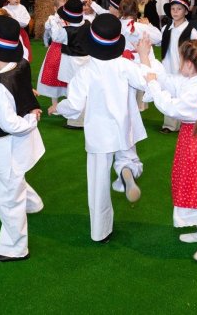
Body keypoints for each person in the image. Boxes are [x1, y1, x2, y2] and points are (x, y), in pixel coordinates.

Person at [49, 14, 149, 242]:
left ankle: (100, 231)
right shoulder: (125, 65)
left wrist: (59, 108)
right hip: (125, 127)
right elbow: (147, 80)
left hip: (99, 133)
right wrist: (143, 57)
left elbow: (74, 106)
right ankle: (127, 171)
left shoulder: (85, 72)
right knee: (127, 156)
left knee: (98, 181)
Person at [137, 38, 197, 262]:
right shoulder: (193, 80)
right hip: (196, 139)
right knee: (193, 185)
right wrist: (147, 57)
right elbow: (170, 82)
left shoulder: (195, 90)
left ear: (189, 64)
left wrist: (151, 81)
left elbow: (170, 106)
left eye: (181, 59)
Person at [0, 15, 46, 262]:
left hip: (7, 142)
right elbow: (25, 89)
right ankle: (32, 201)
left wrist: (32, 118)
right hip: (7, 142)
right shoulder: (22, 63)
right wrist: (31, 105)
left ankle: (15, 248)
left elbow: (9, 123)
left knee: (7, 196)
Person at [158, 0, 197, 134]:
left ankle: (185, 123)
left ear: (186, 11)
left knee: (183, 96)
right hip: (168, 67)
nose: (175, 12)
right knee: (169, 94)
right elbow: (159, 41)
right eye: (173, 8)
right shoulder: (166, 28)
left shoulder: (191, 30)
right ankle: (169, 125)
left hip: (184, 71)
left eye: (179, 9)